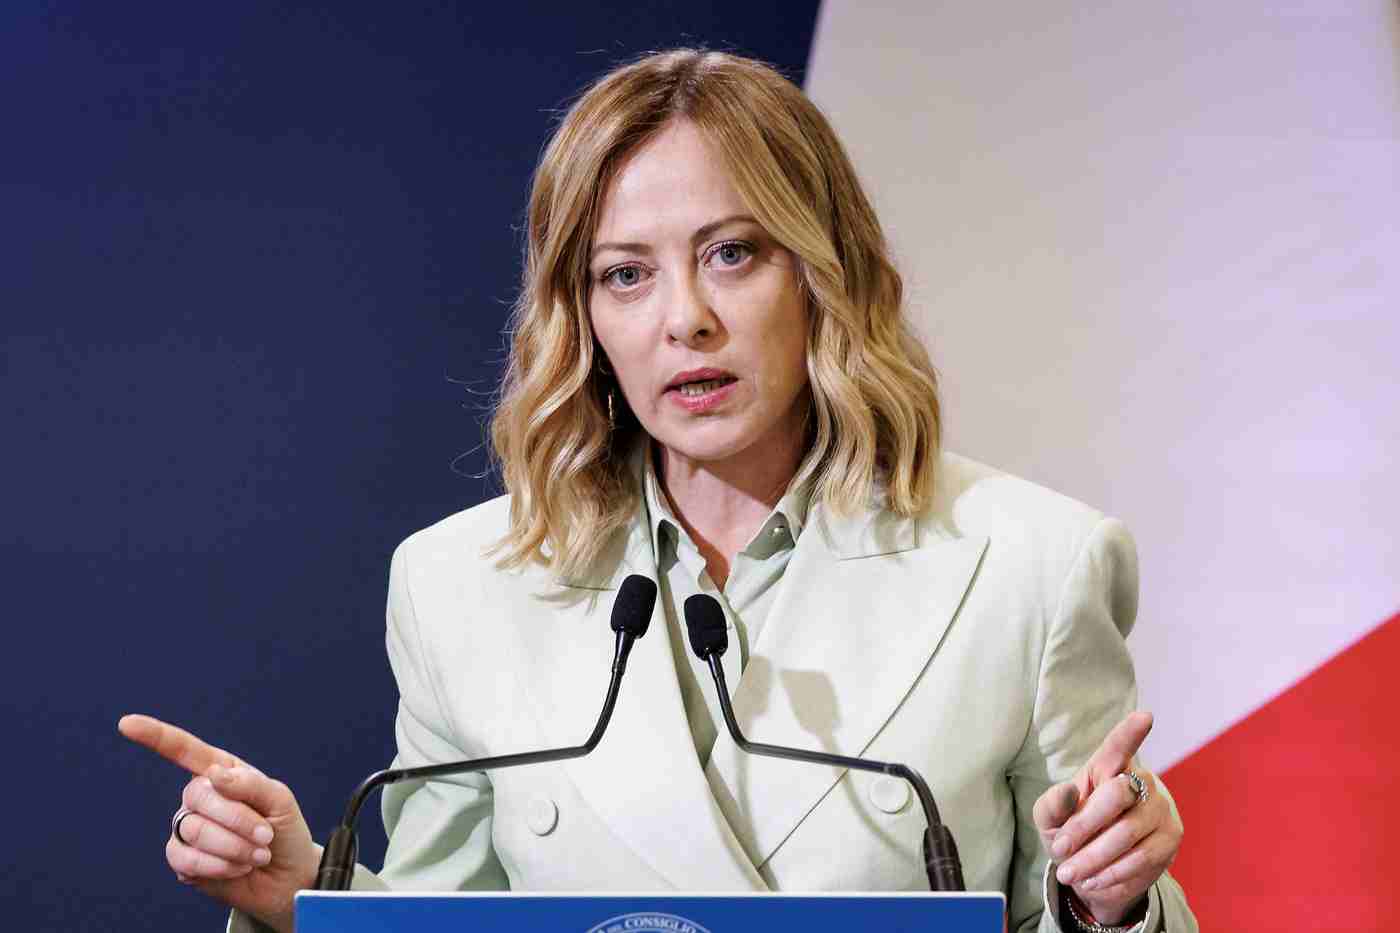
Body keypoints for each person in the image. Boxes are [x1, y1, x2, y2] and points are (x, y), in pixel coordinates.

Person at [120, 49, 1196, 932]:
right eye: (626, 274)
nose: (685, 319)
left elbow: (1088, 899)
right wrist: (300, 894)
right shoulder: (459, 584)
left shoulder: (1032, 565)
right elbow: (446, 922)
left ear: (822, 275)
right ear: (582, 315)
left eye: (732, 254)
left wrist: (1109, 903)